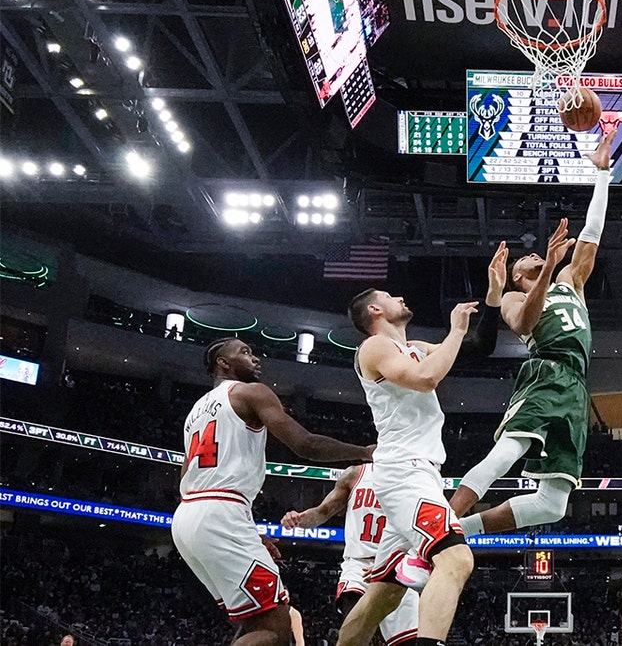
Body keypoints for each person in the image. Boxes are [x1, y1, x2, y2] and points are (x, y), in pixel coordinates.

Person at [337, 241, 508, 646]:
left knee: (382, 595)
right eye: (389, 296)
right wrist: (455, 329)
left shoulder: (413, 347)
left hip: (419, 473)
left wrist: (494, 298)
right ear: (375, 311)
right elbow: (426, 378)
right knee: (456, 558)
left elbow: (480, 348)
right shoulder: (375, 346)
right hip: (404, 471)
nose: (400, 297)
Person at [449, 129, 617, 535]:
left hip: (577, 385)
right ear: (517, 274)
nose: (537, 255)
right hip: (546, 372)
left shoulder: (571, 281)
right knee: (512, 447)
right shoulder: (510, 298)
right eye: (529, 260)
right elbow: (525, 323)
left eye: (541, 257)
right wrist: (544, 271)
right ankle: (443, 516)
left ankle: (463, 530)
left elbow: (592, 235)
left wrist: (603, 175)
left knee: (553, 504)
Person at [171, 338, 374, 646]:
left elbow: (187, 476)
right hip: (221, 514)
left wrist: (245, 531)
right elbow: (305, 444)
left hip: (189, 515)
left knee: (253, 619)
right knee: (276, 625)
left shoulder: (195, 413)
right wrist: (363, 451)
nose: (255, 358)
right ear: (222, 363)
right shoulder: (250, 392)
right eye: (245, 352)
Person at [282, 463, 418, 645]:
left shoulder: (417, 477)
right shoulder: (356, 474)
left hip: (396, 566)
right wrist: (299, 519)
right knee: (354, 631)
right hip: (359, 565)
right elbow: (323, 511)